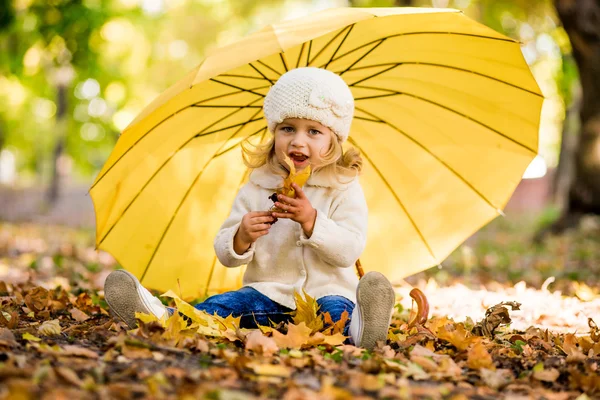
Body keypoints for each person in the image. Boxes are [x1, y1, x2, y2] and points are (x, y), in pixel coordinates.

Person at [104, 67, 395, 350]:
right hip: (268, 293)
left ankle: (360, 328)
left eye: (314, 131)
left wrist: (312, 220)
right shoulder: (258, 186)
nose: (298, 140)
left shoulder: (342, 187)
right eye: (288, 128)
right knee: (228, 307)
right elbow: (224, 251)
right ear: (274, 133)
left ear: (334, 141)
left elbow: (349, 249)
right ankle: (164, 317)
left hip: (327, 293)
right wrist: (241, 237)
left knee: (334, 315)